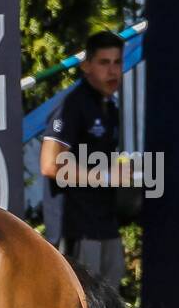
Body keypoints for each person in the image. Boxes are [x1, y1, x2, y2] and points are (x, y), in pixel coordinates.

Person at [39, 30, 126, 290]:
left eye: (117, 62)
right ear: (86, 66)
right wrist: (108, 176)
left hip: (105, 225)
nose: (112, 71)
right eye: (103, 62)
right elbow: (50, 164)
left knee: (111, 306)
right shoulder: (73, 106)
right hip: (76, 229)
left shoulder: (111, 108)